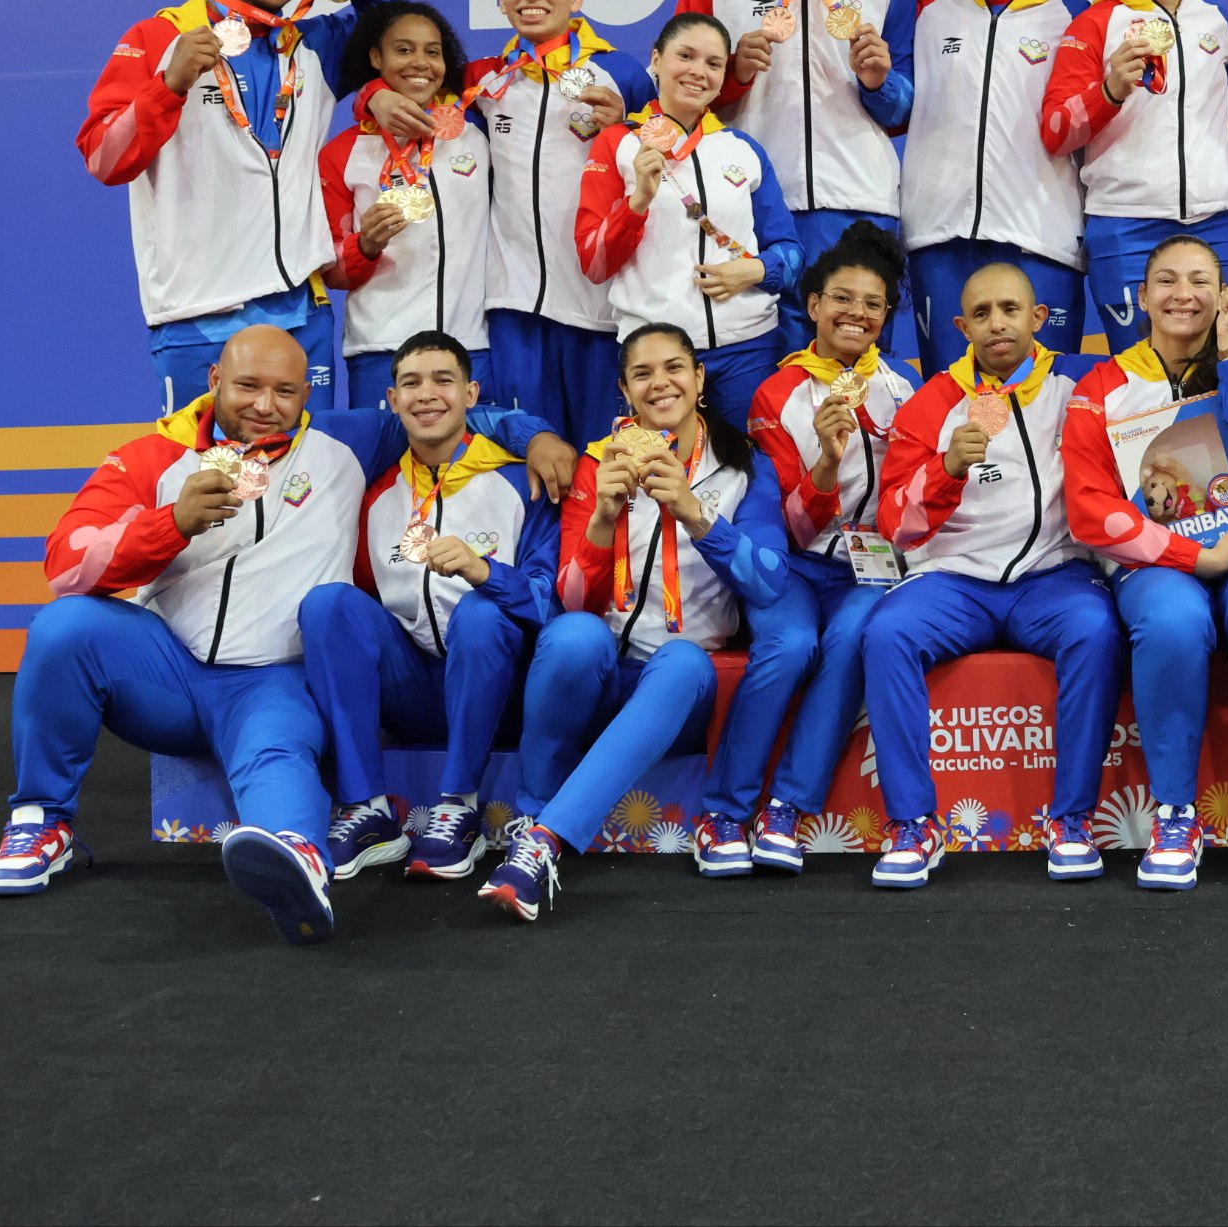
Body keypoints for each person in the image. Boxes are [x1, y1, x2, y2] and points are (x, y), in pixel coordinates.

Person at [0, 326, 568, 942]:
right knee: (62, 628)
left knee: (279, 771)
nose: (266, 406)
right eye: (248, 387)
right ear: (213, 383)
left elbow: (451, 415)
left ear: (304, 394)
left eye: (285, 390)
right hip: (164, 674)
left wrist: (541, 437)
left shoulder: (343, 442)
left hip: (271, 684)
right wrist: (170, 524)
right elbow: (66, 564)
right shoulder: (155, 455)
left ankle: (301, 863)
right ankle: (42, 820)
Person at [479, 323, 792, 921]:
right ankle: (532, 809)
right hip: (605, 678)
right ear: (624, 390)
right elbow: (569, 600)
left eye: (674, 367)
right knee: (573, 635)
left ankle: (542, 844)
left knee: (679, 659)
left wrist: (697, 516)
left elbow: (769, 581)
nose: (660, 383)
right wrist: (600, 518)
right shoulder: (600, 465)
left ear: (699, 379)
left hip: (682, 687)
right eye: (642, 373)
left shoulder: (742, 468)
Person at [1064, 236, 1228, 892]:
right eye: (1167, 281)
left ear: (1225, 293)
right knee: (1172, 619)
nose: (1184, 294)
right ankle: (1176, 812)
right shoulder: (1101, 385)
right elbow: (1091, 511)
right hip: (1159, 558)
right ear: (1141, 296)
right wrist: (1197, 557)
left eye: (1201, 280)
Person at [859, 264, 1123, 888]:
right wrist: (944, 469)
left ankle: (1073, 820)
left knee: (1095, 631)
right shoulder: (932, 405)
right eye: (981, 313)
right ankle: (914, 826)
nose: (996, 322)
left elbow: (1165, 394)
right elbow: (896, 522)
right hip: (957, 581)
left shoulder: (1080, 382)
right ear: (960, 327)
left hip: (1052, 577)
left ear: (1039, 318)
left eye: (1010, 309)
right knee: (887, 634)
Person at [81, 0, 399, 411]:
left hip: (301, 311)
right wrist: (170, 85)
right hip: (198, 314)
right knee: (208, 480)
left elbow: (404, 42)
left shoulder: (313, 46)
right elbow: (103, 158)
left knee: (306, 481)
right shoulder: (160, 37)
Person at [362, 0, 653, 450]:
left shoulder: (622, 73)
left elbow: (676, 152)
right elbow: (412, 65)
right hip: (514, 307)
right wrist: (374, 93)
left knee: (602, 457)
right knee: (527, 458)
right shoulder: (483, 81)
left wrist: (629, 123)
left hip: (600, 307)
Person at [295, 330, 560, 880]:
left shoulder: (517, 482)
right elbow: (360, 617)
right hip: (414, 691)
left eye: (444, 380)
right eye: (410, 383)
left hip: (503, 692)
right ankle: (366, 808)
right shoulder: (376, 496)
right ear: (391, 401)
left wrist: (484, 572)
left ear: (471, 393)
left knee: (481, 612)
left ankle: (459, 807)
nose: (427, 394)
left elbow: (551, 605)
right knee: (328, 605)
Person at [676, 0, 916, 352]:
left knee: (861, 365)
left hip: (858, 199)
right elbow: (675, 90)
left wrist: (880, 83)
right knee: (766, 369)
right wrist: (733, 75)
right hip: (751, 198)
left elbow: (904, 111)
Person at [728, 223, 922, 873]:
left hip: (872, 568)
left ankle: (786, 805)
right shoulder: (776, 394)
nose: (857, 314)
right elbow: (794, 525)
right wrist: (826, 463)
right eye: (842, 298)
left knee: (847, 643)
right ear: (812, 305)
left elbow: (915, 506)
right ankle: (724, 812)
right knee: (790, 645)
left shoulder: (906, 392)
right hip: (797, 564)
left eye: (873, 304)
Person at [1039, 0, 1228, 346]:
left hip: (1221, 220)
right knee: (1142, 378)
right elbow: (1056, 131)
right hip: (1126, 222)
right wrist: (1109, 91)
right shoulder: (1097, 21)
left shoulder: (1216, 21)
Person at [576, 11, 802, 431]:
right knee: (655, 482)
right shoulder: (617, 144)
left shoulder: (742, 148)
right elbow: (594, 263)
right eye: (686, 56)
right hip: (656, 359)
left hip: (747, 349)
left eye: (714, 63)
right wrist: (638, 201)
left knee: (752, 470)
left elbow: (790, 252)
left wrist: (755, 270)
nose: (699, 71)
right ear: (657, 60)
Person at [902, 0, 1089, 368]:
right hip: (940, 239)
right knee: (947, 397)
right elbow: (892, 103)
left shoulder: (1076, 14)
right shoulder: (926, 11)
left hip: (1041, 237)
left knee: (1046, 398)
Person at [318, 1, 491, 403]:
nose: (421, 63)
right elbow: (331, 269)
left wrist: (371, 93)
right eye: (403, 50)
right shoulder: (342, 153)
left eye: (433, 51)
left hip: (468, 345)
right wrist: (364, 247)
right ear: (376, 57)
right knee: (386, 467)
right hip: (382, 347)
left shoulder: (474, 130)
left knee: (470, 464)